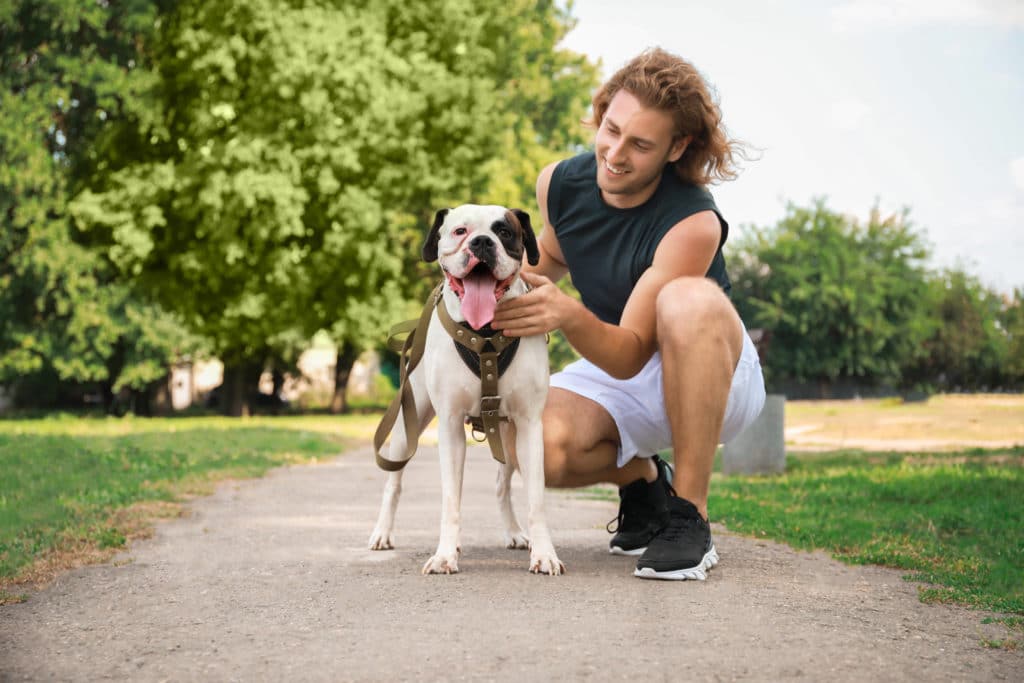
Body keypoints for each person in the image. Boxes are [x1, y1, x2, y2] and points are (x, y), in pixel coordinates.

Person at [491, 47, 766, 581]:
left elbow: (631, 351)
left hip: (709, 367)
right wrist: (480, 266)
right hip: (620, 361)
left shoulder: (693, 220)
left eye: (640, 144)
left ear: (676, 147)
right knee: (524, 443)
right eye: (610, 129)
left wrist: (566, 315)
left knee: (687, 299)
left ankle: (690, 517)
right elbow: (548, 261)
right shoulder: (560, 184)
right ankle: (645, 482)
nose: (615, 154)